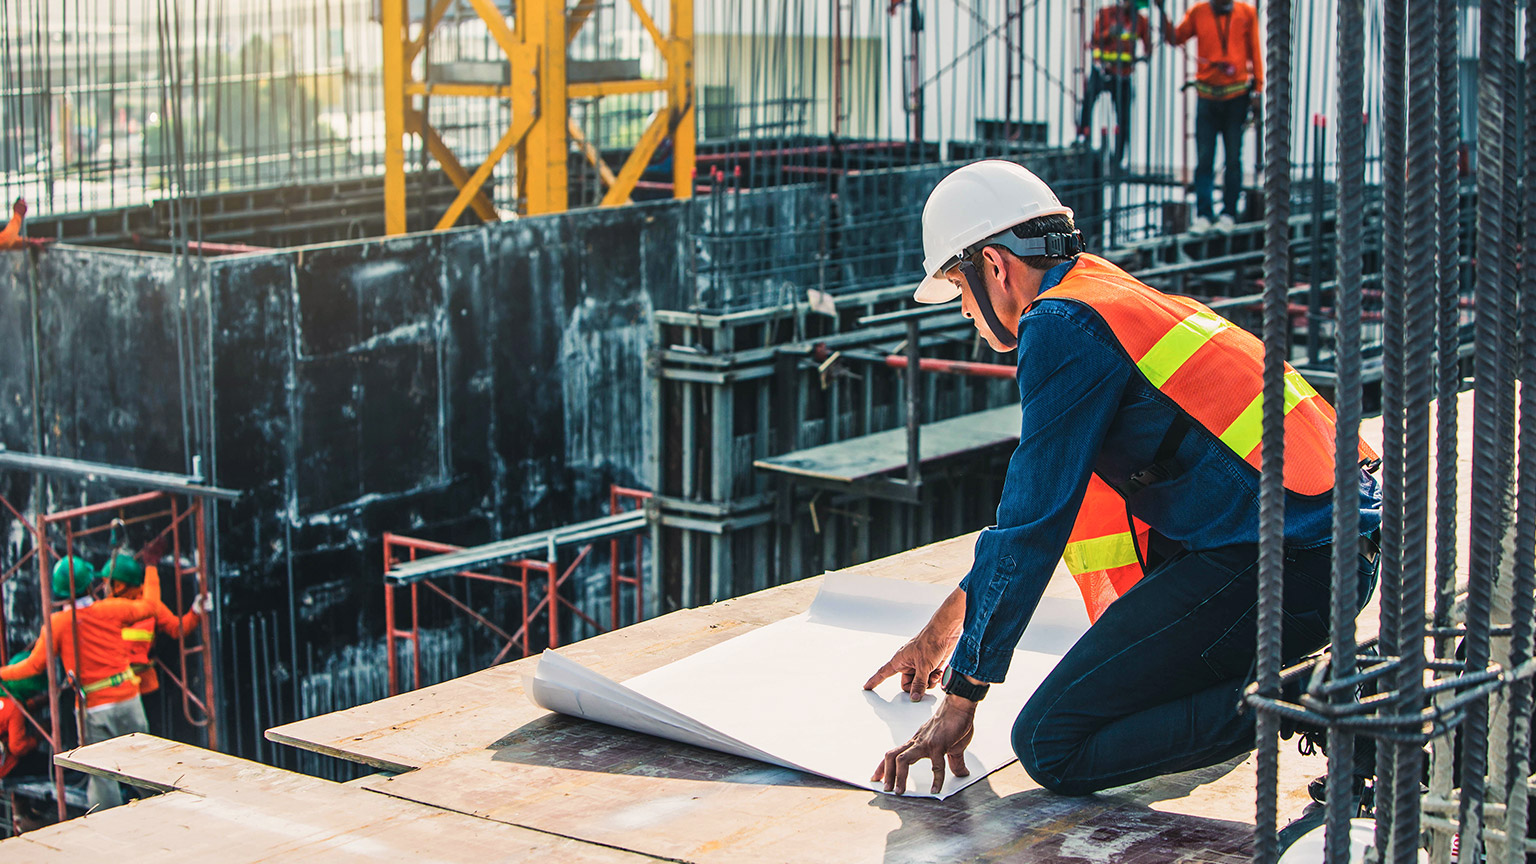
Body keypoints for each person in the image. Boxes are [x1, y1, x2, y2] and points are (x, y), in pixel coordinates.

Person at [864, 160, 1380, 797]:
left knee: (1051, 744)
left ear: (994, 266)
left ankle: (1323, 694)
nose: (966, 311)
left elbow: (1030, 525)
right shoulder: (1103, 295)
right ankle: (1303, 684)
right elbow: (1033, 523)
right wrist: (937, 636)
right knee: (1124, 702)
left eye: (961, 289)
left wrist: (964, 694)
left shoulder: (1059, 327)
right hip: (1319, 551)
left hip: (1288, 565)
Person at [0, 553, 163, 809]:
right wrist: (151, 568)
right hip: (127, 698)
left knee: (102, 775)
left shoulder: (57, 624)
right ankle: (164, 809)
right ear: (90, 583)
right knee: (145, 767)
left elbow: (33, 666)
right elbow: (150, 607)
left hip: (93, 707)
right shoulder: (112, 608)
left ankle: (109, 827)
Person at [1155, 0, 1263, 231]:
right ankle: (1204, 214)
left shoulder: (1246, 13)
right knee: (1204, 158)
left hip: (1236, 96)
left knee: (1233, 158)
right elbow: (1175, 38)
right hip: (1207, 96)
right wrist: (1161, 11)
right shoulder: (1199, 12)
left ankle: (1228, 214)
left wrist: (1258, 91)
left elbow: (1255, 51)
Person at [102, 549, 209, 698]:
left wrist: (196, 611)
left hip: (141, 685)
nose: (103, 588)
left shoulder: (144, 603)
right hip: (115, 687)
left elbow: (177, 629)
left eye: (106, 582)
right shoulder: (107, 608)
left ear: (119, 586)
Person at [1078, 0, 1152, 166]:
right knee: (1088, 102)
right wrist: (1109, 34)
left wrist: (1144, 56)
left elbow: (1148, 47)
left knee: (1123, 117)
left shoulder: (1140, 21)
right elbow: (1094, 40)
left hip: (1123, 75)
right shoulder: (1106, 14)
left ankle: (1118, 158)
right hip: (1102, 70)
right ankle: (1083, 138)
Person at [0, 655, 47, 780]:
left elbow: (9, 714)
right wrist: (38, 736)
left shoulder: (5, 696)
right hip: (5, 767)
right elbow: (17, 748)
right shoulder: (14, 707)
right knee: (54, 764)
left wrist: (37, 703)